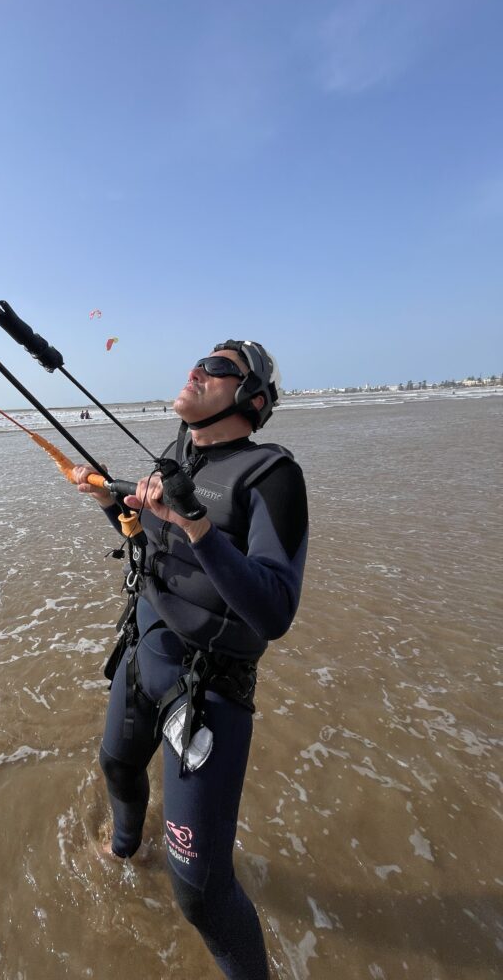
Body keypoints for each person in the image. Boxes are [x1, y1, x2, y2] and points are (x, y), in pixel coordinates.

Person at [73, 340, 309, 980]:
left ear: (251, 398)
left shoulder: (271, 476)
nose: (196, 371)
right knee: (117, 764)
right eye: (199, 361)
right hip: (141, 656)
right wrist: (110, 505)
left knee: (199, 892)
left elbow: (275, 609)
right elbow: (158, 548)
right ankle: (124, 846)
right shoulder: (174, 455)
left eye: (218, 368)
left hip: (205, 694)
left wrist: (199, 522)